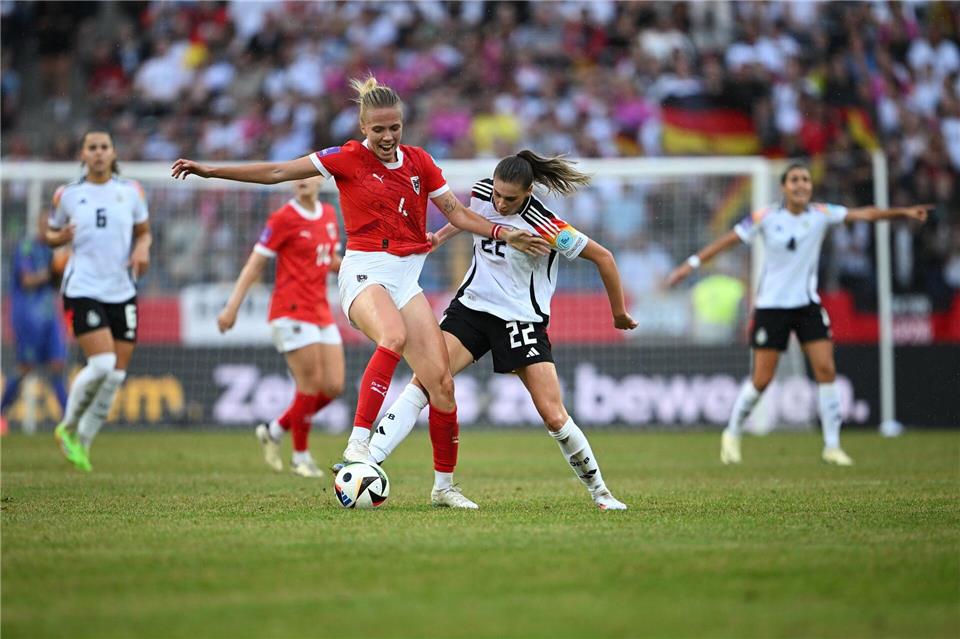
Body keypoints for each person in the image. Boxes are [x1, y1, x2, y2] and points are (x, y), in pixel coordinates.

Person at [172, 76, 549, 508]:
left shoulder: (420, 162)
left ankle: (444, 488)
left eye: (395, 128)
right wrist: (209, 169)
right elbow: (277, 171)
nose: (387, 138)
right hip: (365, 271)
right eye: (378, 129)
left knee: (441, 384)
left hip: (408, 278)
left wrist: (505, 233)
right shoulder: (345, 158)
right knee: (392, 335)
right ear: (362, 126)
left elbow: (458, 214)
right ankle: (358, 445)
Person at [367, 151, 637, 511]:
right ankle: (370, 461)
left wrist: (618, 313)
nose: (500, 202)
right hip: (473, 309)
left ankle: (601, 493)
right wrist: (440, 238)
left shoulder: (548, 226)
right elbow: (467, 217)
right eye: (497, 194)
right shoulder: (482, 194)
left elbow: (604, 258)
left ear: (528, 192)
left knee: (554, 415)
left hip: (520, 320)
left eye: (509, 198)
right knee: (428, 379)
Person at [666, 163, 929, 466]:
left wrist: (904, 213)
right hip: (770, 307)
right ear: (784, 187)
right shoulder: (765, 217)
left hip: (806, 306)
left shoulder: (820, 214)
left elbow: (864, 214)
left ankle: (832, 446)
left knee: (826, 370)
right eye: (794, 180)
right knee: (762, 379)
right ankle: (732, 432)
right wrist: (691, 264)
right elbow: (728, 240)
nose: (801, 185)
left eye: (805, 179)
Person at [217, 177, 344, 479]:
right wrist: (232, 306)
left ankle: (274, 430)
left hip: (320, 309)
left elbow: (328, 260)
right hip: (291, 310)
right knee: (309, 385)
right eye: (295, 176)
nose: (301, 181)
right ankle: (300, 457)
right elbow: (255, 263)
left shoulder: (328, 214)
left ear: (320, 179)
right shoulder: (283, 217)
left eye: (307, 175)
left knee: (334, 386)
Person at [47, 130, 152, 471]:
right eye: (92, 148)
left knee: (116, 375)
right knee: (103, 364)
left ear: (113, 152)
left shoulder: (131, 191)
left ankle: (84, 441)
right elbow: (50, 233)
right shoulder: (67, 195)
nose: (98, 153)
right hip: (83, 288)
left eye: (104, 147)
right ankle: (67, 425)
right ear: (83, 154)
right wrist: (57, 238)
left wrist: (142, 248)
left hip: (122, 288)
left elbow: (144, 232)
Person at [1, 221, 69, 424]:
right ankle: (1, 412)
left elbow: (56, 285)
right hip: (28, 317)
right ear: (40, 226)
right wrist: (52, 270)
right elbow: (27, 281)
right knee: (25, 367)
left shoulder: (53, 251)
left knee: (58, 366)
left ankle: (70, 421)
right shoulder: (27, 247)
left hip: (50, 317)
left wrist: (61, 270)